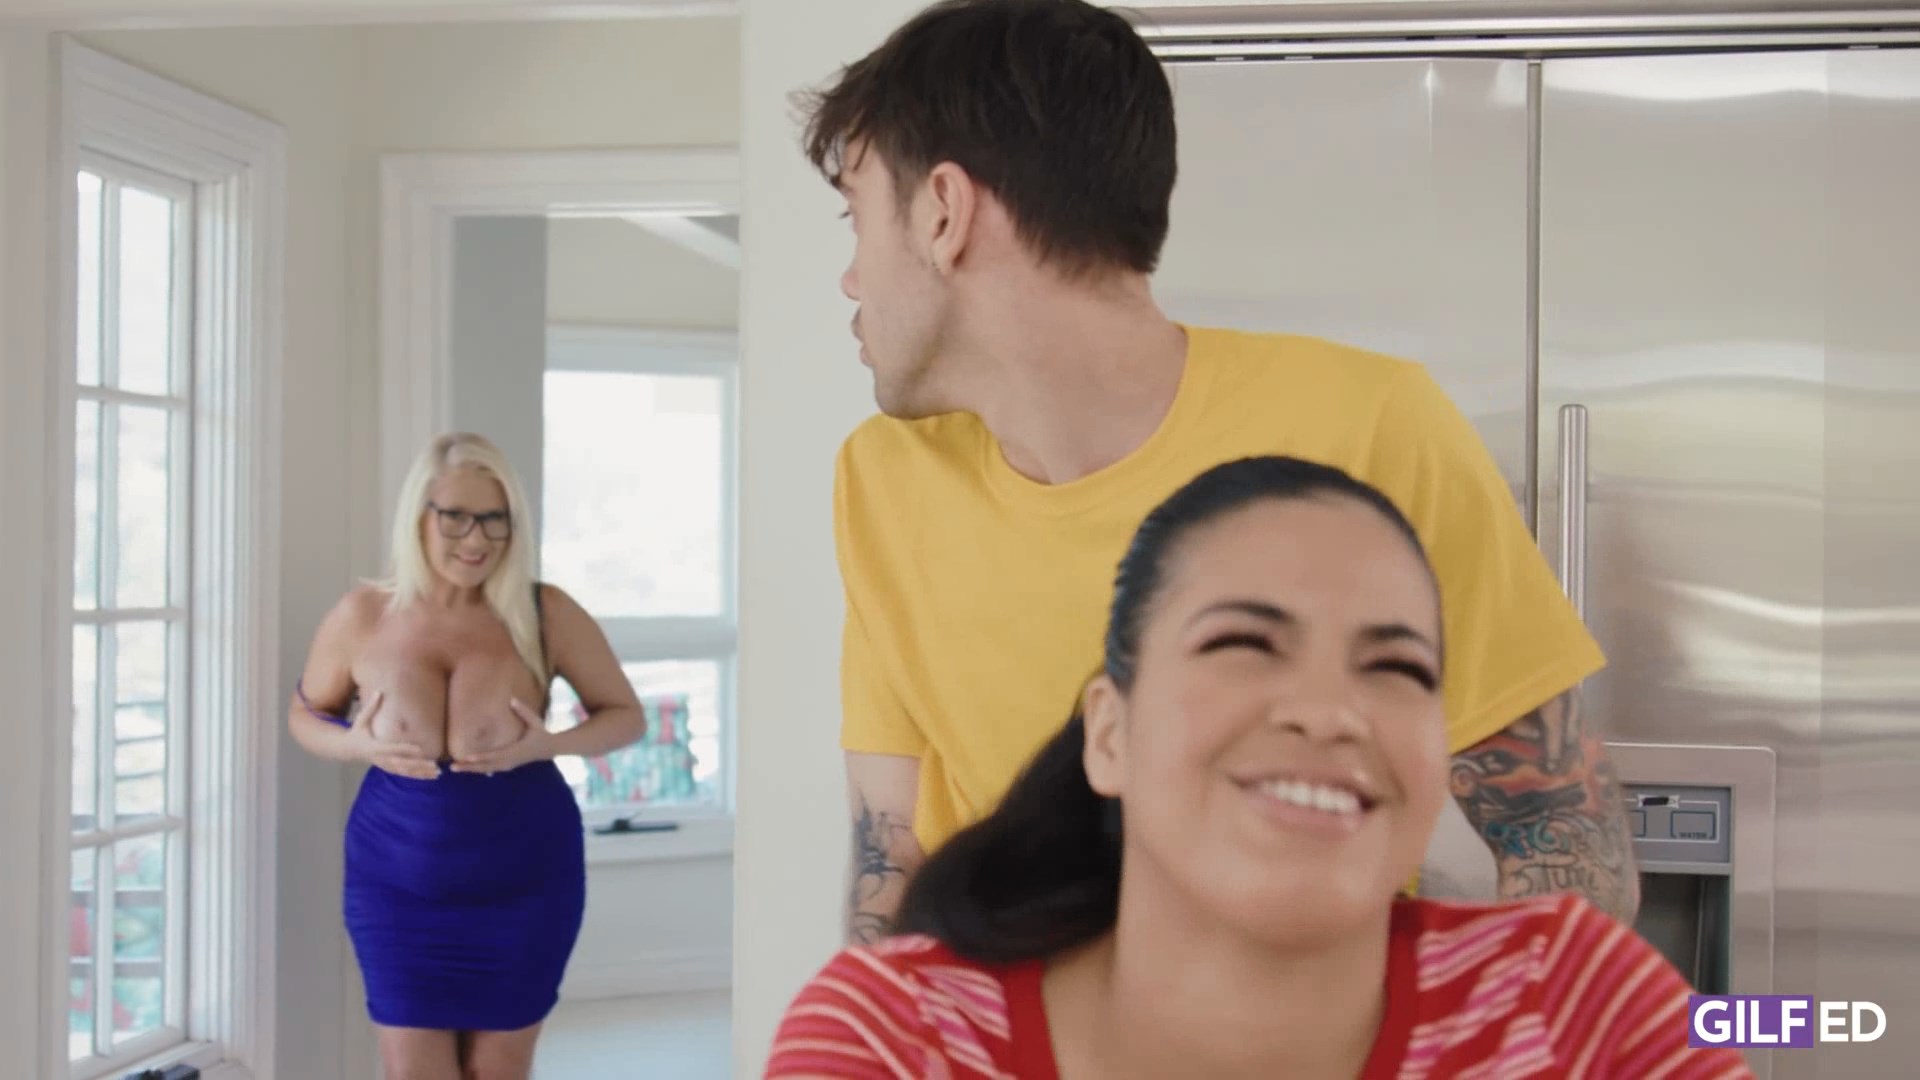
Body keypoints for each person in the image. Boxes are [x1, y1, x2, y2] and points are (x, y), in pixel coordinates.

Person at [797, 0, 1638, 942]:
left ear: (944, 213)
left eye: (856, 218)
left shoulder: (1371, 427)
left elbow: (1558, 828)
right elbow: (890, 850)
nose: (852, 279)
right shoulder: (881, 478)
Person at [766, 456, 1751, 1079]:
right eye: (1243, 643)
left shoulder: (1573, 1003)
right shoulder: (893, 1041)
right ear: (1108, 734)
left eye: (1396, 667)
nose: (1329, 711)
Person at [288, 432, 646, 1080]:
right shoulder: (363, 615)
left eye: (494, 518)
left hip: (525, 883)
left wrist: (551, 745)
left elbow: (626, 716)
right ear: (418, 517)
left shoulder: (544, 612)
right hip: (397, 885)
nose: (476, 539)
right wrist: (354, 744)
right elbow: (305, 716)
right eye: (455, 517)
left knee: (497, 1074)